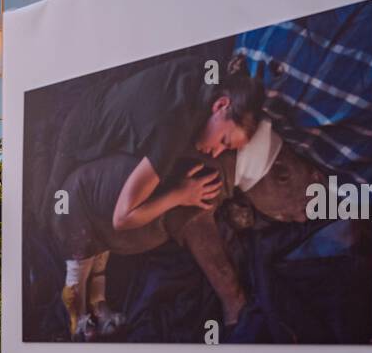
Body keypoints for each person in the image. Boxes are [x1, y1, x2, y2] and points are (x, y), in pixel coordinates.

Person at [43, 55, 264, 338]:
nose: (219, 152)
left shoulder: (207, 81)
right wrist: (180, 195)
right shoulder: (172, 129)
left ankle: (98, 307)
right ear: (221, 106)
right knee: (48, 213)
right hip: (80, 139)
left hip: (105, 102)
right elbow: (122, 217)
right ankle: (79, 319)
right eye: (224, 141)